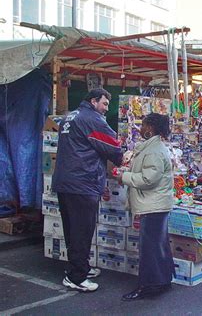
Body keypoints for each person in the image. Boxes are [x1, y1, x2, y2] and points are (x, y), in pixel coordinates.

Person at [52, 88, 122, 292]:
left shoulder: (70, 116)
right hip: (83, 182)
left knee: (72, 229)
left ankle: (80, 266)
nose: (106, 108)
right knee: (82, 230)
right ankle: (76, 277)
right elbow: (113, 148)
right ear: (93, 101)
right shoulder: (92, 119)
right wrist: (124, 157)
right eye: (104, 104)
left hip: (65, 181)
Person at [115, 113, 175, 301]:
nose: (140, 128)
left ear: (150, 128)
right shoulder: (152, 148)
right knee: (158, 245)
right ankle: (162, 280)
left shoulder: (154, 150)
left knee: (150, 247)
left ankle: (149, 286)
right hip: (154, 203)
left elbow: (148, 179)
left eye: (143, 125)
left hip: (152, 205)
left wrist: (123, 177)